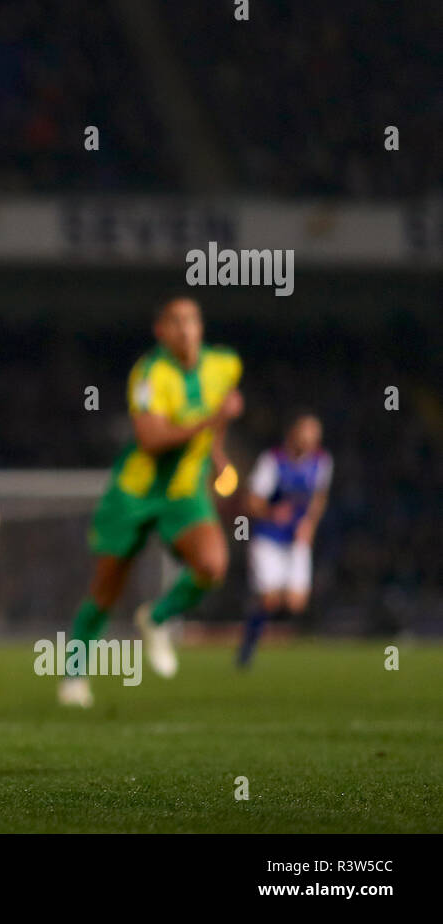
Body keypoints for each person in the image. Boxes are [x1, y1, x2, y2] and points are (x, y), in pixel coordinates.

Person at [59, 297, 243, 707]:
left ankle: (156, 617)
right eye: (175, 322)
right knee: (107, 587)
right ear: (161, 331)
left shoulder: (224, 366)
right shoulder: (149, 374)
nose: (185, 328)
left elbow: (218, 421)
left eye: (191, 319)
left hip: (184, 492)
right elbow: (152, 438)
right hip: (134, 493)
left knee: (212, 566)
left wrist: (218, 457)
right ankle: (73, 674)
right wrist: (209, 422)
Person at [237, 413, 332, 667]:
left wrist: (309, 524)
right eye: (306, 435)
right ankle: (248, 644)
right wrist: (271, 512)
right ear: (294, 435)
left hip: (295, 540)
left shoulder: (322, 462)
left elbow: (319, 497)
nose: (311, 442)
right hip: (269, 537)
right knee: (269, 600)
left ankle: (310, 648)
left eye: (315, 437)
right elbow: (251, 501)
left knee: (296, 602)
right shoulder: (272, 462)